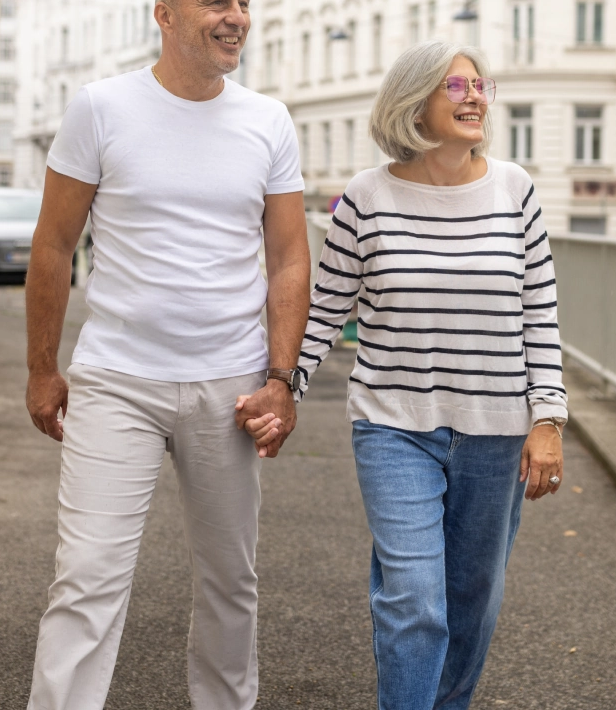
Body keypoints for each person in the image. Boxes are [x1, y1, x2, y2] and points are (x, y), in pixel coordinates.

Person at [22, 0, 312, 710]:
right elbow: (53, 244)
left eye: (244, 2)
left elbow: (288, 257)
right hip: (118, 377)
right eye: (218, 2)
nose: (237, 18)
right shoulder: (101, 108)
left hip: (231, 382)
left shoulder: (267, 120)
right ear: (166, 15)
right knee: (87, 577)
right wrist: (41, 367)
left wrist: (280, 379)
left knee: (230, 580)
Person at [239, 41, 568, 710]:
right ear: (414, 101)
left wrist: (549, 418)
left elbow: (540, 309)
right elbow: (327, 309)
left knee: (472, 603)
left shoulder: (515, 189)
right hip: (395, 428)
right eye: (456, 86)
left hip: (497, 433)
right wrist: (284, 387)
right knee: (416, 601)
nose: (475, 96)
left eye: (481, 85)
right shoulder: (368, 197)